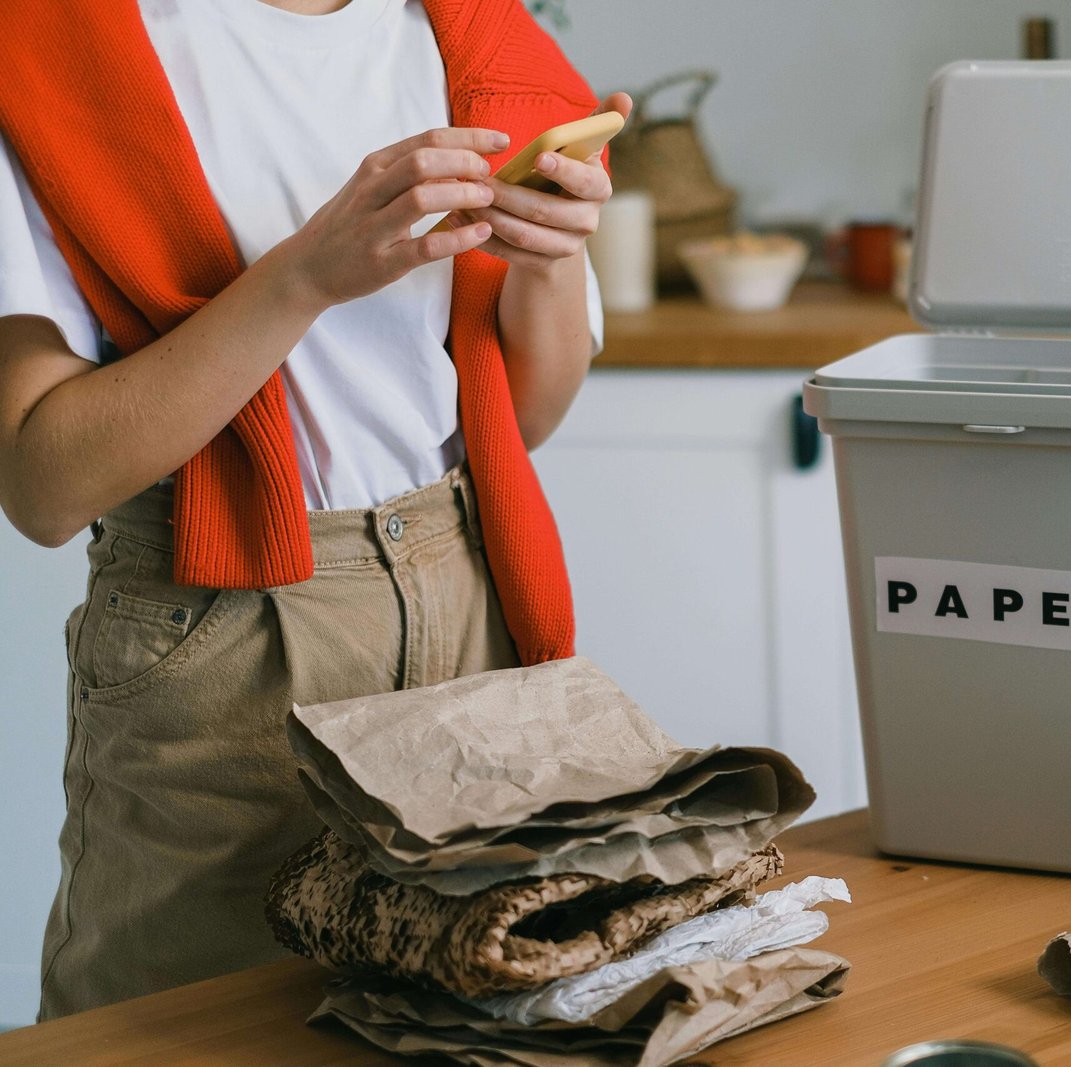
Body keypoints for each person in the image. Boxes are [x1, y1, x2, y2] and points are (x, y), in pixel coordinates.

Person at [0, 0, 628, 1018]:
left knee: (472, 1018)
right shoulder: (52, 48)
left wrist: (547, 255)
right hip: (226, 623)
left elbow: (521, 420)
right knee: (186, 1025)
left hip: (470, 586)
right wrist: (301, 277)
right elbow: (45, 482)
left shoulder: (478, 42)